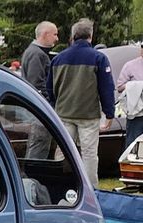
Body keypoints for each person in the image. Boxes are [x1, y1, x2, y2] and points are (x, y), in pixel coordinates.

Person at [48, 19, 115, 183]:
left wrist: (55, 105)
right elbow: (106, 89)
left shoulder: (58, 59)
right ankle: (91, 190)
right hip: (88, 115)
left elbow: (49, 88)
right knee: (89, 153)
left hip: (63, 112)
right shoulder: (98, 58)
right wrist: (109, 113)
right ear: (90, 36)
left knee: (63, 150)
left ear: (73, 36)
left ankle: (61, 185)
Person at [21, 21, 58, 158]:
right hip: (39, 108)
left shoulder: (34, 52)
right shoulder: (37, 55)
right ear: (45, 34)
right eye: (55, 34)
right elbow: (36, 83)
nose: (57, 38)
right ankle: (34, 174)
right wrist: (48, 105)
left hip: (36, 106)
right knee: (39, 142)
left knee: (39, 143)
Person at [117, 46, 143, 149]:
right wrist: (136, 86)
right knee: (133, 147)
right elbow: (119, 87)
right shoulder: (130, 65)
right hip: (135, 115)